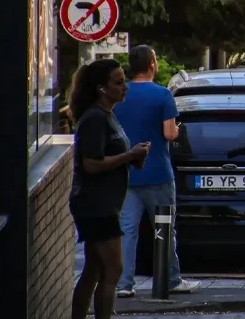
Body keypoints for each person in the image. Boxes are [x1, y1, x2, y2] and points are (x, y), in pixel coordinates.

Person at [113, 46, 199, 297]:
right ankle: (171, 279)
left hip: (127, 172)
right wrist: (179, 130)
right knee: (164, 228)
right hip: (158, 174)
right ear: (152, 64)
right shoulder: (163, 95)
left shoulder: (121, 95)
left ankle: (124, 284)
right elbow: (169, 134)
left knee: (127, 230)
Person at [69, 59, 150, 319]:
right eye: (118, 82)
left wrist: (135, 156)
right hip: (95, 203)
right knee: (113, 270)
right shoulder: (94, 118)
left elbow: (110, 155)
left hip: (105, 202)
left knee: (94, 268)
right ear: (101, 88)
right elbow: (91, 164)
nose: (125, 87)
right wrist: (129, 156)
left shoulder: (108, 115)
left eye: (124, 81)